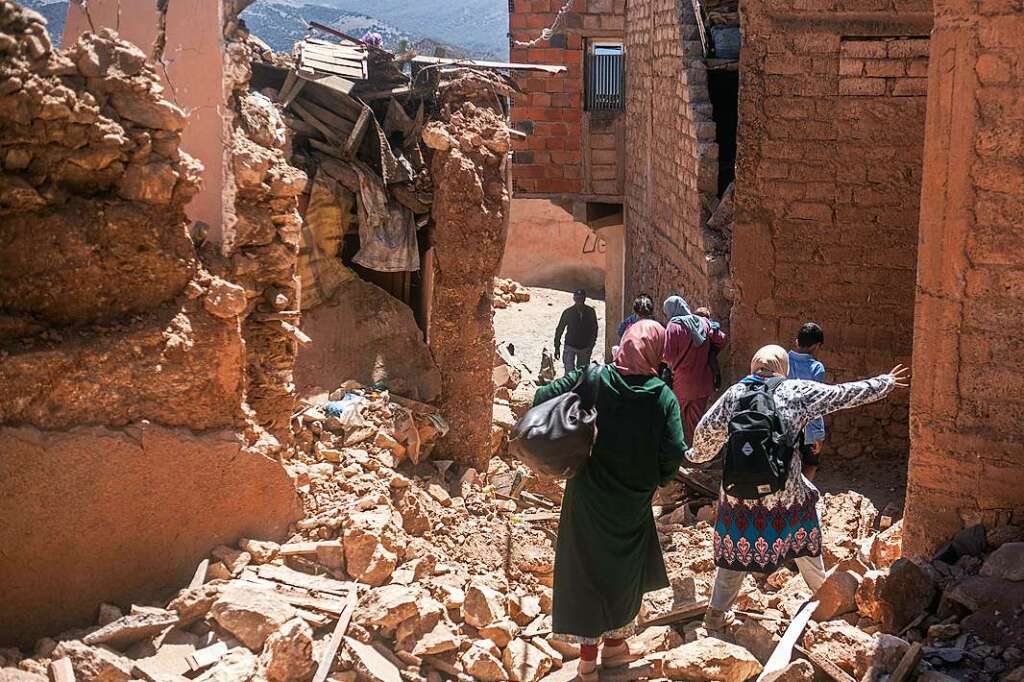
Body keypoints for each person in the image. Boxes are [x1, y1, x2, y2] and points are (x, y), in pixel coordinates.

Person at [686, 345, 909, 630]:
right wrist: (884, 383)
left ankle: (715, 615)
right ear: (783, 367)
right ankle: (828, 600)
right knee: (805, 539)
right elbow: (842, 395)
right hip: (785, 495)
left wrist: (693, 457)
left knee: (733, 557)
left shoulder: (734, 394)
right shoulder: (796, 392)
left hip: (737, 496)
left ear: (754, 366)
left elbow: (704, 437)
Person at [535, 320, 686, 680]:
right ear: (657, 351)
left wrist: (576, 426)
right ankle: (615, 646)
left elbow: (542, 398)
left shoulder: (595, 378)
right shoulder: (662, 395)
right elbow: (674, 450)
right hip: (633, 499)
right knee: (624, 569)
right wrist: (658, 480)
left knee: (586, 568)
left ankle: (590, 659)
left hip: (587, 493)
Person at [663, 295, 728, 444]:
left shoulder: (674, 326)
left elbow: (668, 356)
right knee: (696, 422)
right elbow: (722, 339)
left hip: (682, 384)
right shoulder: (704, 323)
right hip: (703, 382)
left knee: (673, 418)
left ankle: (673, 451)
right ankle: (700, 455)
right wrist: (711, 351)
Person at [788, 323, 827, 480]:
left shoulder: (783, 360)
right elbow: (815, 404)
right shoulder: (817, 368)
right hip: (807, 428)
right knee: (810, 464)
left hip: (785, 426)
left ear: (797, 342)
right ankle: (804, 497)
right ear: (817, 346)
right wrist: (818, 434)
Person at [554, 288, 599, 375]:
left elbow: (594, 329)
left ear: (584, 299)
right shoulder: (568, 312)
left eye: (581, 298)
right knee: (569, 374)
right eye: (577, 298)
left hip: (584, 348)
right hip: (570, 346)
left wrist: (591, 345)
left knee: (582, 374)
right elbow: (560, 329)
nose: (579, 301)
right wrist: (557, 346)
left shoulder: (590, 312)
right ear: (574, 299)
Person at [694, 306, 723, 390]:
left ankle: (717, 376)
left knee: (711, 358)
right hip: (705, 348)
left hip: (709, 348)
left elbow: (716, 325)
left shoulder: (709, 323)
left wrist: (712, 330)